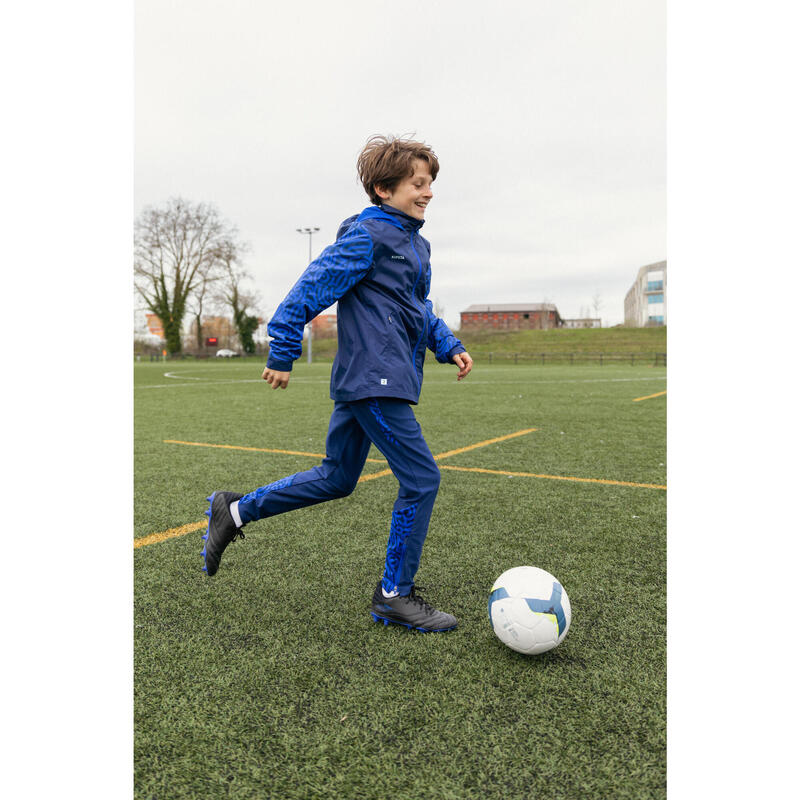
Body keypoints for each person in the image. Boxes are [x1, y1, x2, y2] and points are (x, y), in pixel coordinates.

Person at [202, 134, 473, 632]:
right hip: (375, 379)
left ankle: (234, 512)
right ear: (382, 188)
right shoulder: (369, 235)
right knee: (422, 480)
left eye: (430, 182)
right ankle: (394, 595)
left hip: (381, 378)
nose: (428, 191)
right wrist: (282, 349)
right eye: (417, 183)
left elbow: (417, 307)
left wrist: (447, 343)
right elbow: (311, 285)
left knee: (336, 478)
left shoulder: (417, 244)